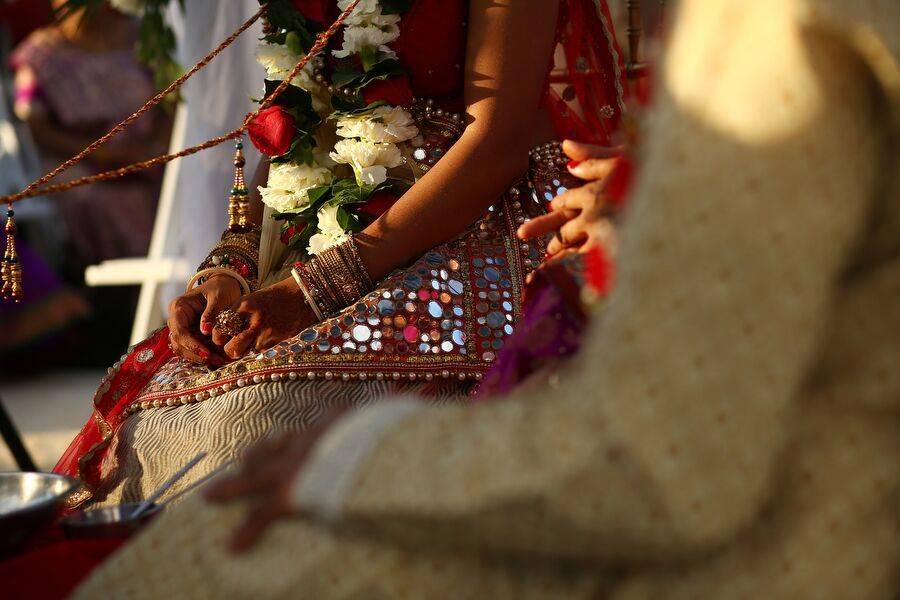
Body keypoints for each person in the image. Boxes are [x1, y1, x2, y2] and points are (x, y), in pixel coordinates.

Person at [72, 0, 899, 597]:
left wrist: (349, 464)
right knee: (158, 421)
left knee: (239, 457)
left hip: (477, 227)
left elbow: (659, 465)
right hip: (321, 236)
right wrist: (232, 264)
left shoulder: (780, 32)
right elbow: (287, 127)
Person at [54, 0, 628, 507]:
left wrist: (318, 288)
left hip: (469, 225)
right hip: (316, 218)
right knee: (148, 435)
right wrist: (231, 264)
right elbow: (297, 118)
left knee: (254, 430)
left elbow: (498, 138)